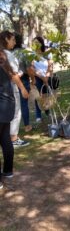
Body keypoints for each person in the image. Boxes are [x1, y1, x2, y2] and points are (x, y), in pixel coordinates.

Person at [0, 31, 30, 148]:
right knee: (16, 112)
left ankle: (7, 138)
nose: (15, 42)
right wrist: (22, 88)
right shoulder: (7, 54)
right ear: (6, 39)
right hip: (10, 88)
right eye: (12, 40)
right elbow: (12, 74)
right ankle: (13, 138)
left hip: (3, 88)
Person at [0, 50, 16, 189]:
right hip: (7, 107)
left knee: (5, 139)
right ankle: (8, 172)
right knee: (5, 139)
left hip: (2, 107)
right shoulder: (5, 65)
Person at [14, 33, 34, 132]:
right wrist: (33, 79)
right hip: (23, 79)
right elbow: (29, 69)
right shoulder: (23, 53)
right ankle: (26, 126)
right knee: (23, 104)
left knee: (13, 104)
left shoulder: (6, 53)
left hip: (11, 81)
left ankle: (11, 129)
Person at [32, 36, 52, 123]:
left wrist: (47, 76)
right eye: (34, 42)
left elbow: (50, 66)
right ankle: (38, 116)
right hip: (37, 78)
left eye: (37, 42)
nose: (35, 44)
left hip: (47, 77)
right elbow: (32, 68)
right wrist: (41, 77)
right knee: (38, 97)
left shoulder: (47, 54)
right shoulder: (32, 55)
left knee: (46, 95)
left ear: (41, 43)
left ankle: (48, 111)